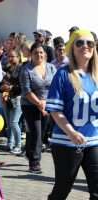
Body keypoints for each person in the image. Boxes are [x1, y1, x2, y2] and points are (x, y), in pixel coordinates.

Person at [46, 29, 98, 200]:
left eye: (89, 43)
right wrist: (72, 132)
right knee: (62, 189)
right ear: (72, 48)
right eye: (80, 42)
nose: (85, 46)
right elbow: (55, 110)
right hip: (66, 142)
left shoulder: (96, 75)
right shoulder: (63, 74)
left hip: (94, 141)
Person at [20, 42, 56, 173]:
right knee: (36, 132)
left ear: (45, 54)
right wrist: (39, 103)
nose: (39, 55)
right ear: (31, 54)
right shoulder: (26, 69)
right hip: (29, 104)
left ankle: (29, 152)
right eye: (35, 52)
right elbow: (26, 90)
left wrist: (46, 102)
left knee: (39, 133)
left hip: (47, 104)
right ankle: (35, 162)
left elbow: (56, 86)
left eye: (41, 52)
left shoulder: (51, 68)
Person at [0, 49, 23, 154]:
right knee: (9, 123)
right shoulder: (8, 68)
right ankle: (10, 144)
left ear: (18, 57)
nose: (10, 58)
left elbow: (22, 86)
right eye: (9, 56)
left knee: (14, 122)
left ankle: (18, 145)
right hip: (7, 98)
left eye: (13, 56)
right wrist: (3, 87)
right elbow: (2, 82)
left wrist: (10, 87)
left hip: (18, 98)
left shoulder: (21, 69)